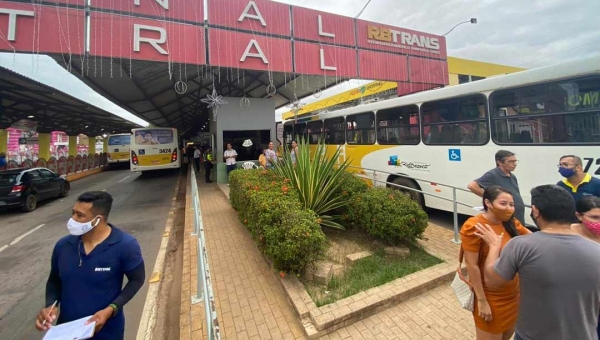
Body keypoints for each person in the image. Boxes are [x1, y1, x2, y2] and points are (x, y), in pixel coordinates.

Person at [474, 185, 600, 340]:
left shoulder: (521, 246)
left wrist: (494, 246)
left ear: (535, 211)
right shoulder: (596, 251)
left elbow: (493, 281)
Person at [36, 191, 145, 340]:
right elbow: (54, 281)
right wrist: (51, 305)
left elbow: (136, 280)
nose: (72, 219)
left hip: (107, 332)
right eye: (73, 213)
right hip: (67, 331)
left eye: (79, 216)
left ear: (97, 220)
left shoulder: (125, 245)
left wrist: (111, 309)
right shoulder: (63, 246)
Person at [460, 185, 531, 340]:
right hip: (492, 298)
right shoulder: (474, 226)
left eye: (511, 205)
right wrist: (482, 301)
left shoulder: (511, 223)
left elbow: (534, 240)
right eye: (503, 204)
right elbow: (472, 266)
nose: (509, 209)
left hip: (514, 296)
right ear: (488, 203)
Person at [468, 150, 525, 225]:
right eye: (510, 162)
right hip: (505, 218)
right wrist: (490, 198)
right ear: (499, 162)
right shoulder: (492, 174)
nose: (514, 164)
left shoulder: (512, 176)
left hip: (517, 217)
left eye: (515, 161)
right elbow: (472, 186)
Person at [571, 196, 600, 339]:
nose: (599, 222)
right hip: (577, 297)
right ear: (578, 215)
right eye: (594, 217)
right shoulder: (569, 233)